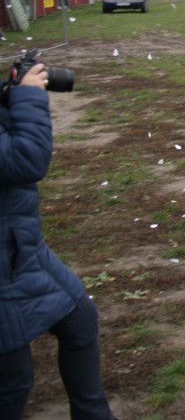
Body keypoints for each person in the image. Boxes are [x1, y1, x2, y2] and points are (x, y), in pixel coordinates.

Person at [1, 62, 118, 419]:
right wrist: (28, 96)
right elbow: (26, 159)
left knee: (79, 318)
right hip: (6, 263)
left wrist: (8, 96)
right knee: (12, 383)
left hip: (19, 247)